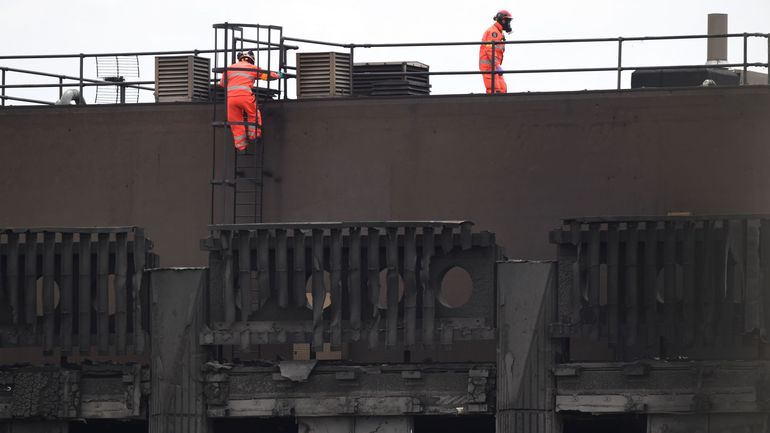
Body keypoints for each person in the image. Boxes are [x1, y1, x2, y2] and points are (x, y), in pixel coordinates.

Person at [219, 51, 281, 151]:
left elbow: (222, 84)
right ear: (251, 59)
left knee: (235, 122)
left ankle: (241, 145)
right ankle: (254, 136)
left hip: (230, 99)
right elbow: (266, 76)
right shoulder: (251, 68)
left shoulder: (229, 68)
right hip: (245, 96)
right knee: (253, 114)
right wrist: (278, 75)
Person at [479, 10, 513, 94]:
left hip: (494, 66)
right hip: (488, 67)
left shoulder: (498, 32)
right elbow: (490, 50)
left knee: (502, 89)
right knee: (494, 90)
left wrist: (497, 66)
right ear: (502, 20)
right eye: (508, 21)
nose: (508, 24)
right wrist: (497, 65)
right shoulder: (493, 32)